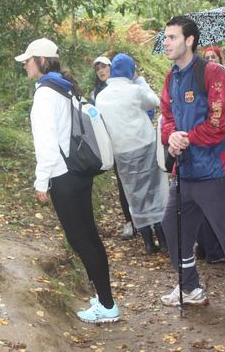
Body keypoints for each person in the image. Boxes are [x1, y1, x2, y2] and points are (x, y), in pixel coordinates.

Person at [159, 16, 225, 314]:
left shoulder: (212, 73)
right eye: (165, 38)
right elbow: (166, 116)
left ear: (189, 40)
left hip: (216, 167)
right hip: (185, 169)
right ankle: (190, 287)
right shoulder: (170, 77)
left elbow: (220, 123)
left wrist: (185, 137)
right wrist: (171, 136)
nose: (166, 43)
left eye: (172, 37)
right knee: (172, 227)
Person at [16, 38, 119, 324]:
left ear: (42, 61)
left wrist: (41, 181)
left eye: (29, 59)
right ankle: (104, 298)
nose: (25, 64)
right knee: (90, 238)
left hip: (63, 176)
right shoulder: (63, 87)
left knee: (81, 240)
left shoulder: (45, 94)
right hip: (78, 172)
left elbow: (46, 143)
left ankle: (107, 305)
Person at [95, 54, 168, 254]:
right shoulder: (135, 90)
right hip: (145, 144)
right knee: (154, 189)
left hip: (122, 151)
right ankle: (163, 239)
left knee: (134, 193)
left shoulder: (100, 97)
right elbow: (154, 102)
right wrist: (141, 82)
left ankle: (147, 241)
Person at [91, 56, 134, 240]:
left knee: (137, 180)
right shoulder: (95, 95)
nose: (101, 71)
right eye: (97, 68)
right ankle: (130, 222)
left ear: (112, 68)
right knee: (123, 183)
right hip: (113, 145)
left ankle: (148, 222)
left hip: (131, 141)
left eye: (104, 67)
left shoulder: (125, 87)